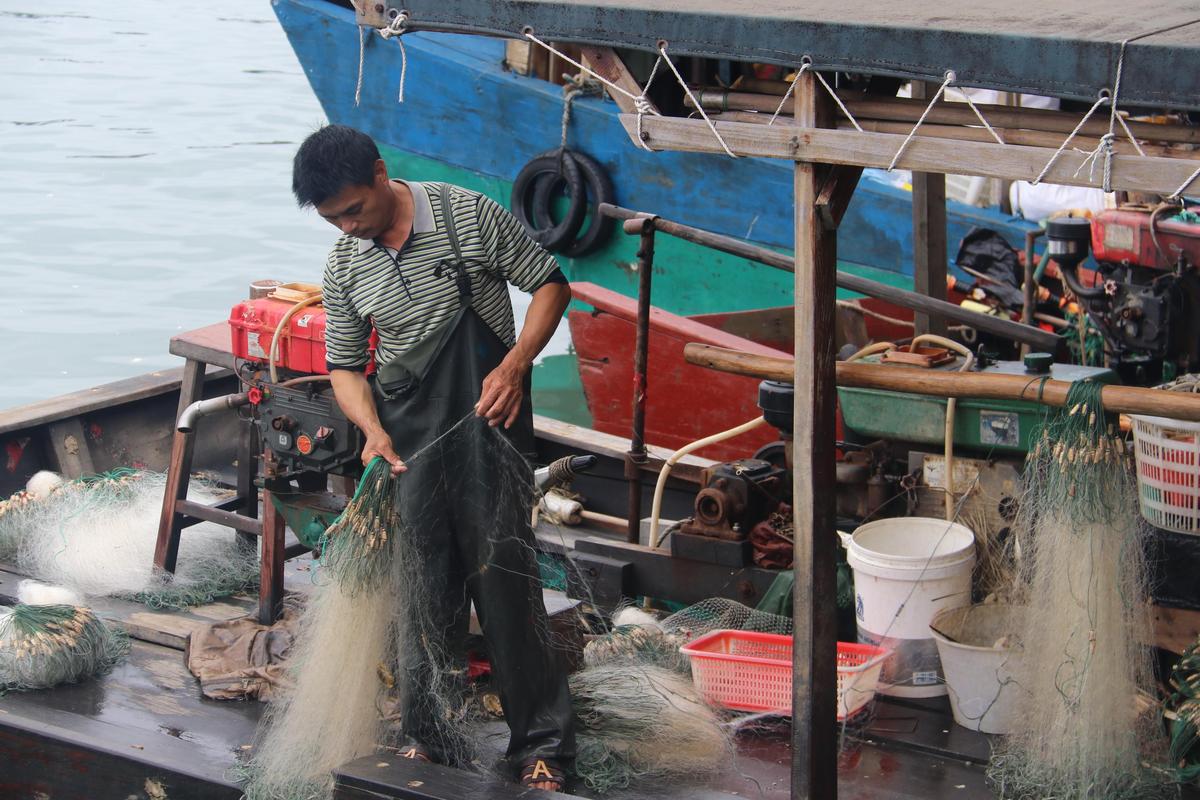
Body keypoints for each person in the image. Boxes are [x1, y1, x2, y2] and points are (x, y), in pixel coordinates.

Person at [292, 124, 575, 792]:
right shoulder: (345, 265)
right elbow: (344, 367)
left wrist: (515, 364)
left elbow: (551, 286)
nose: (350, 227)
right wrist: (371, 430)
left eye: (355, 210)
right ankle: (429, 734)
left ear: (383, 173)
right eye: (334, 219)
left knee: (503, 578)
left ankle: (542, 744)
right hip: (407, 434)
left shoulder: (465, 214)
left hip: (489, 418)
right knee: (423, 584)